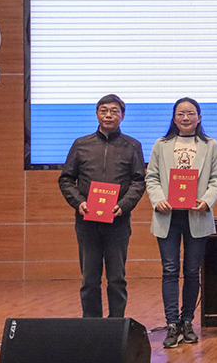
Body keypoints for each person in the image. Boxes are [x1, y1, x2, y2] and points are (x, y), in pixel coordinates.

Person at [59, 94, 146, 318]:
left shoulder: (132, 146)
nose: (109, 115)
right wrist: (79, 202)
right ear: (97, 114)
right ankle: (92, 326)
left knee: (117, 278)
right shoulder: (81, 144)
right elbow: (66, 179)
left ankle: (116, 326)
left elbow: (138, 181)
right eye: (104, 110)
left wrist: (123, 205)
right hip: (86, 221)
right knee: (89, 279)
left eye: (114, 111)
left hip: (118, 221)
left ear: (122, 116)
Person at [145, 97, 217, 348]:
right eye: (181, 114)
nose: (186, 118)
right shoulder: (162, 144)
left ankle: (187, 321)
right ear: (174, 118)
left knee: (191, 271)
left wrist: (207, 201)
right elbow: (152, 177)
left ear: (199, 117)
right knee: (169, 270)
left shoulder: (210, 145)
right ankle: (171, 323)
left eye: (191, 113)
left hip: (196, 214)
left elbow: (216, 179)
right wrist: (158, 199)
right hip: (167, 215)